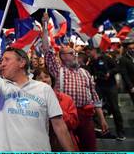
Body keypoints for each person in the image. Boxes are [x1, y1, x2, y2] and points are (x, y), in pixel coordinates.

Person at [0, 39, 75, 152]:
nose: (2, 64)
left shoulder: (44, 89)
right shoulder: (0, 85)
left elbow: (60, 127)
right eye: (1, 60)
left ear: (22, 63)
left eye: (7, 60)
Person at [42, 13, 108, 151]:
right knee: (67, 146)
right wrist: (45, 27)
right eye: (71, 53)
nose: (75, 55)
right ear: (62, 57)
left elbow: (95, 98)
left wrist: (102, 119)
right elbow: (47, 50)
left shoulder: (85, 73)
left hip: (85, 115)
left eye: (74, 53)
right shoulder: (58, 70)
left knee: (89, 147)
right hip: (66, 115)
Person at [33, 68, 79, 151]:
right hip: (41, 144)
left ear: (51, 79)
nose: (44, 80)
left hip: (63, 144)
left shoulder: (66, 99)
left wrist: (55, 105)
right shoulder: (31, 101)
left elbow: (73, 123)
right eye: (39, 78)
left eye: (46, 77)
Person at [88, 47, 125, 140]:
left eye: (90, 50)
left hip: (110, 86)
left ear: (95, 51)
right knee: (96, 107)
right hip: (99, 86)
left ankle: (120, 132)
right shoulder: (92, 62)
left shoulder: (107, 58)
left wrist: (109, 72)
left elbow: (118, 68)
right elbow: (90, 72)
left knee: (114, 108)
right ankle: (102, 130)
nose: (88, 52)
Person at [117, 37, 134, 105]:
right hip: (132, 84)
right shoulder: (123, 59)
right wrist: (131, 86)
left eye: (133, 48)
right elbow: (124, 74)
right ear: (126, 49)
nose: (132, 50)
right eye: (130, 49)